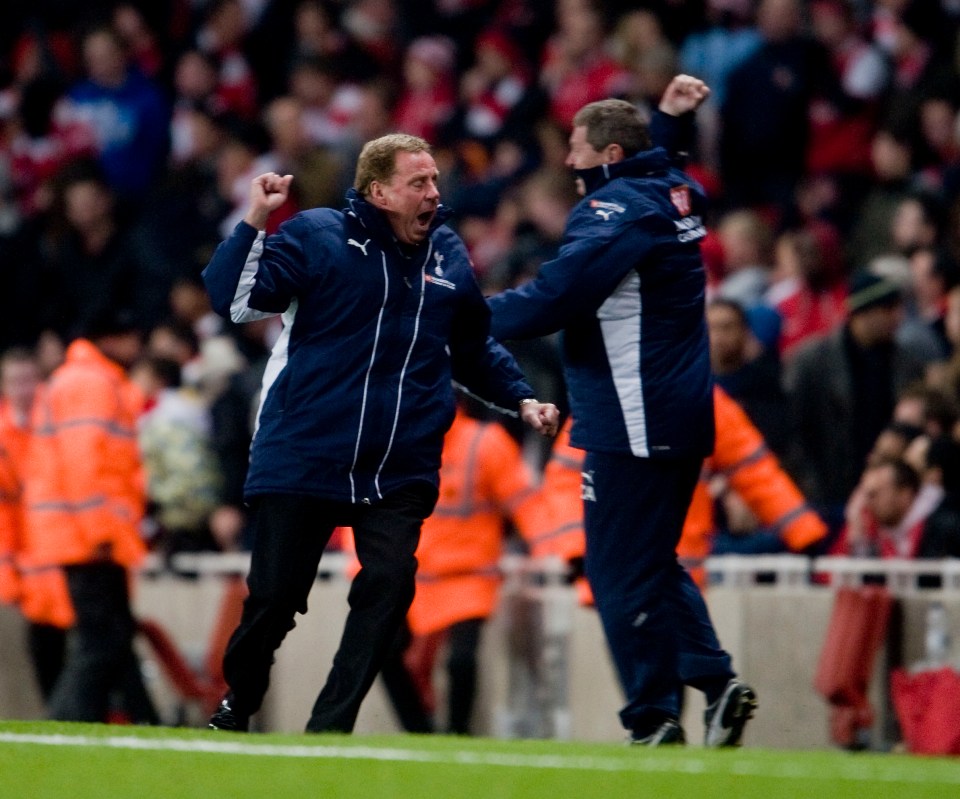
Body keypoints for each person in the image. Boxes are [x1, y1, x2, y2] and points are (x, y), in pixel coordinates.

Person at [202, 132, 559, 734]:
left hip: (398, 461)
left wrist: (520, 396)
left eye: (435, 181)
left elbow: (471, 347)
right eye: (418, 183)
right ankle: (240, 698)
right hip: (305, 449)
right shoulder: (317, 235)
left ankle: (331, 726)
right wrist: (255, 220)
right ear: (379, 192)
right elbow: (234, 301)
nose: (433, 193)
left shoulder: (447, 253)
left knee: (390, 588)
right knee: (274, 600)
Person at [487, 77, 756, 747]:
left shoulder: (617, 210)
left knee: (614, 569)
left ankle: (653, 716)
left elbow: (557, 297)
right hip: (678, 410)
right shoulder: (671, 189)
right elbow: (658, 161)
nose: (569, 165)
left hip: (633, 416)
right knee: (650, 560)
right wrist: (669, 121)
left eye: (577, 151)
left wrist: (462, 316)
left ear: (607, 154)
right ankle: (713, 685)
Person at [22, 310, 158, 724]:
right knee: (102, 643)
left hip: (83, 534)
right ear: (114, 339)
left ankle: (147, 725)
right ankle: (63, 724)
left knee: (113, 640)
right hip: (88, 537)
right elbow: (84, 463)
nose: (138, 350)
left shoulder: (83, 380)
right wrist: (101, 531)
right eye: (133, 339)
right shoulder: (92, 384)